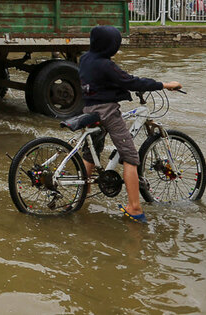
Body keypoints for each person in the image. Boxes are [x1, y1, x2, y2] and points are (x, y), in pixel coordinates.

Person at [78, 25, 181, 224]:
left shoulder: (86, 59)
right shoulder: (105, 64)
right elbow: (131, 81)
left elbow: (100, 81)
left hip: (89, 109)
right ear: (109, 46)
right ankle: (134, 207)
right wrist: (165, 85)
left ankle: (84, 191)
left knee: (91, 152)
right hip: (107, 111)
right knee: (130, 157)